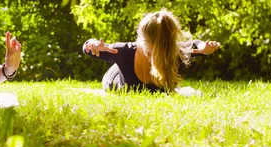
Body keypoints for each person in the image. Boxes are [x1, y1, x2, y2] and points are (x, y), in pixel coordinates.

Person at [83, 9, 220, 93]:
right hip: (114, 77)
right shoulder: (125, 51)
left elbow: (195, 45)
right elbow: (87, 48)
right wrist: (92, 44)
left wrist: (203, 48)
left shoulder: (175, 52)